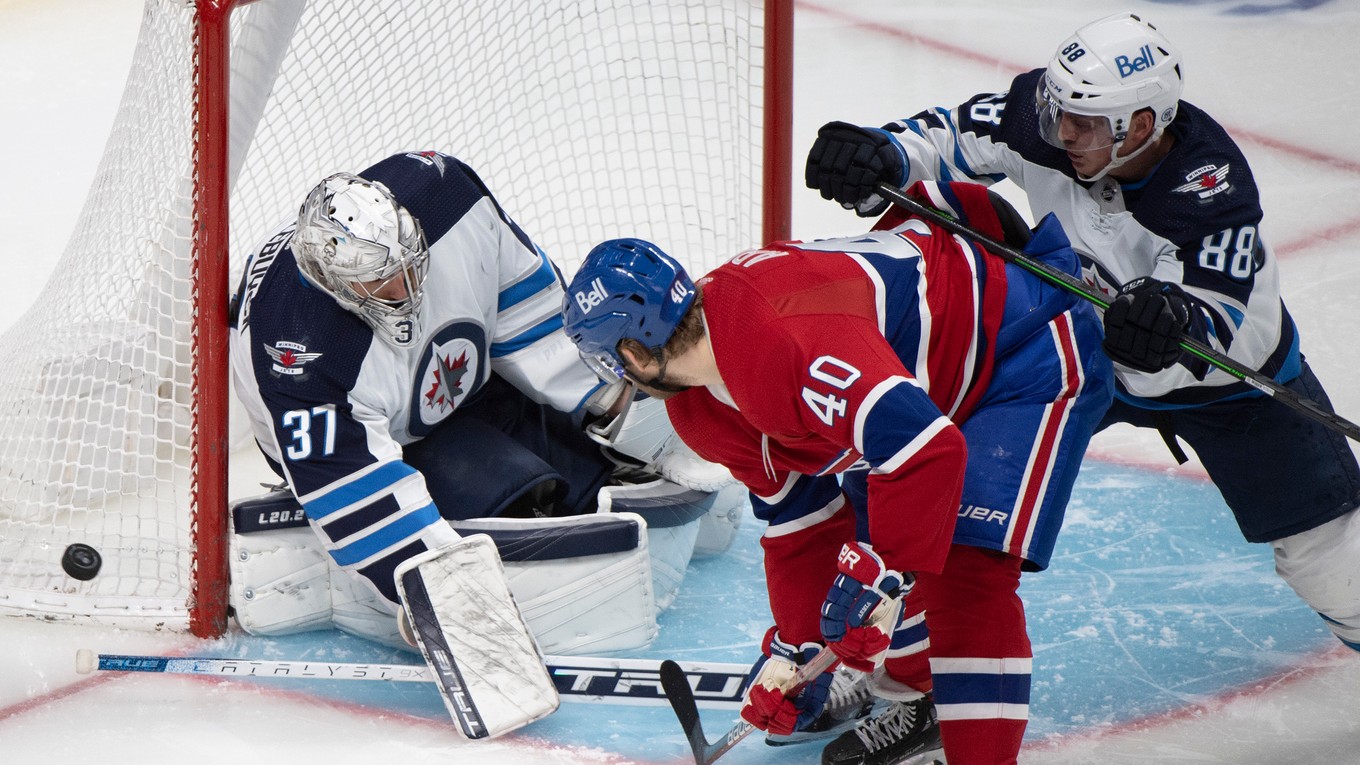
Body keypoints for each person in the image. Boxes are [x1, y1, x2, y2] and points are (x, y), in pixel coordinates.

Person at [804, 10, 1360, 758]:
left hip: (1229, 384)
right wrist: (881, 155)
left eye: (1087, 123)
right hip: (1075, 353)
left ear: (1143, 124)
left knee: (1328, 554)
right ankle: (916, 685)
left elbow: (1221, 316)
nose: (1064, 134)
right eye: (1060, 113)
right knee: (938, 477)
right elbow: (943, 136)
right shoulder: (1046, 120)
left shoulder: (1209, 185)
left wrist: (1179, 318)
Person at [562, 179, 1115, 765]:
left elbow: (928, 452)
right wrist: (798, 652)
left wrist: (883, 573)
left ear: (631, 354)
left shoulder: (786, 345)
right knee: (875, 547)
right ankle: (918, 696)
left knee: (963, 571)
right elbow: (801, 521)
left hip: (1019, 340)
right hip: (920, 381)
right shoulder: (701, 409)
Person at [228, 150, 734, 737]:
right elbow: (354, 494)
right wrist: (449, 607)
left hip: (461, 384)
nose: (405, 287)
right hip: (361, 443)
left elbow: (531, 315)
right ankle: (338, 571)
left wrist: (626, 407)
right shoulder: (298, 348)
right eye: (380, 283)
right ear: (337, 285)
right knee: (509, 503)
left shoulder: (446, 196)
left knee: (583, 473)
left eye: (408, 265)